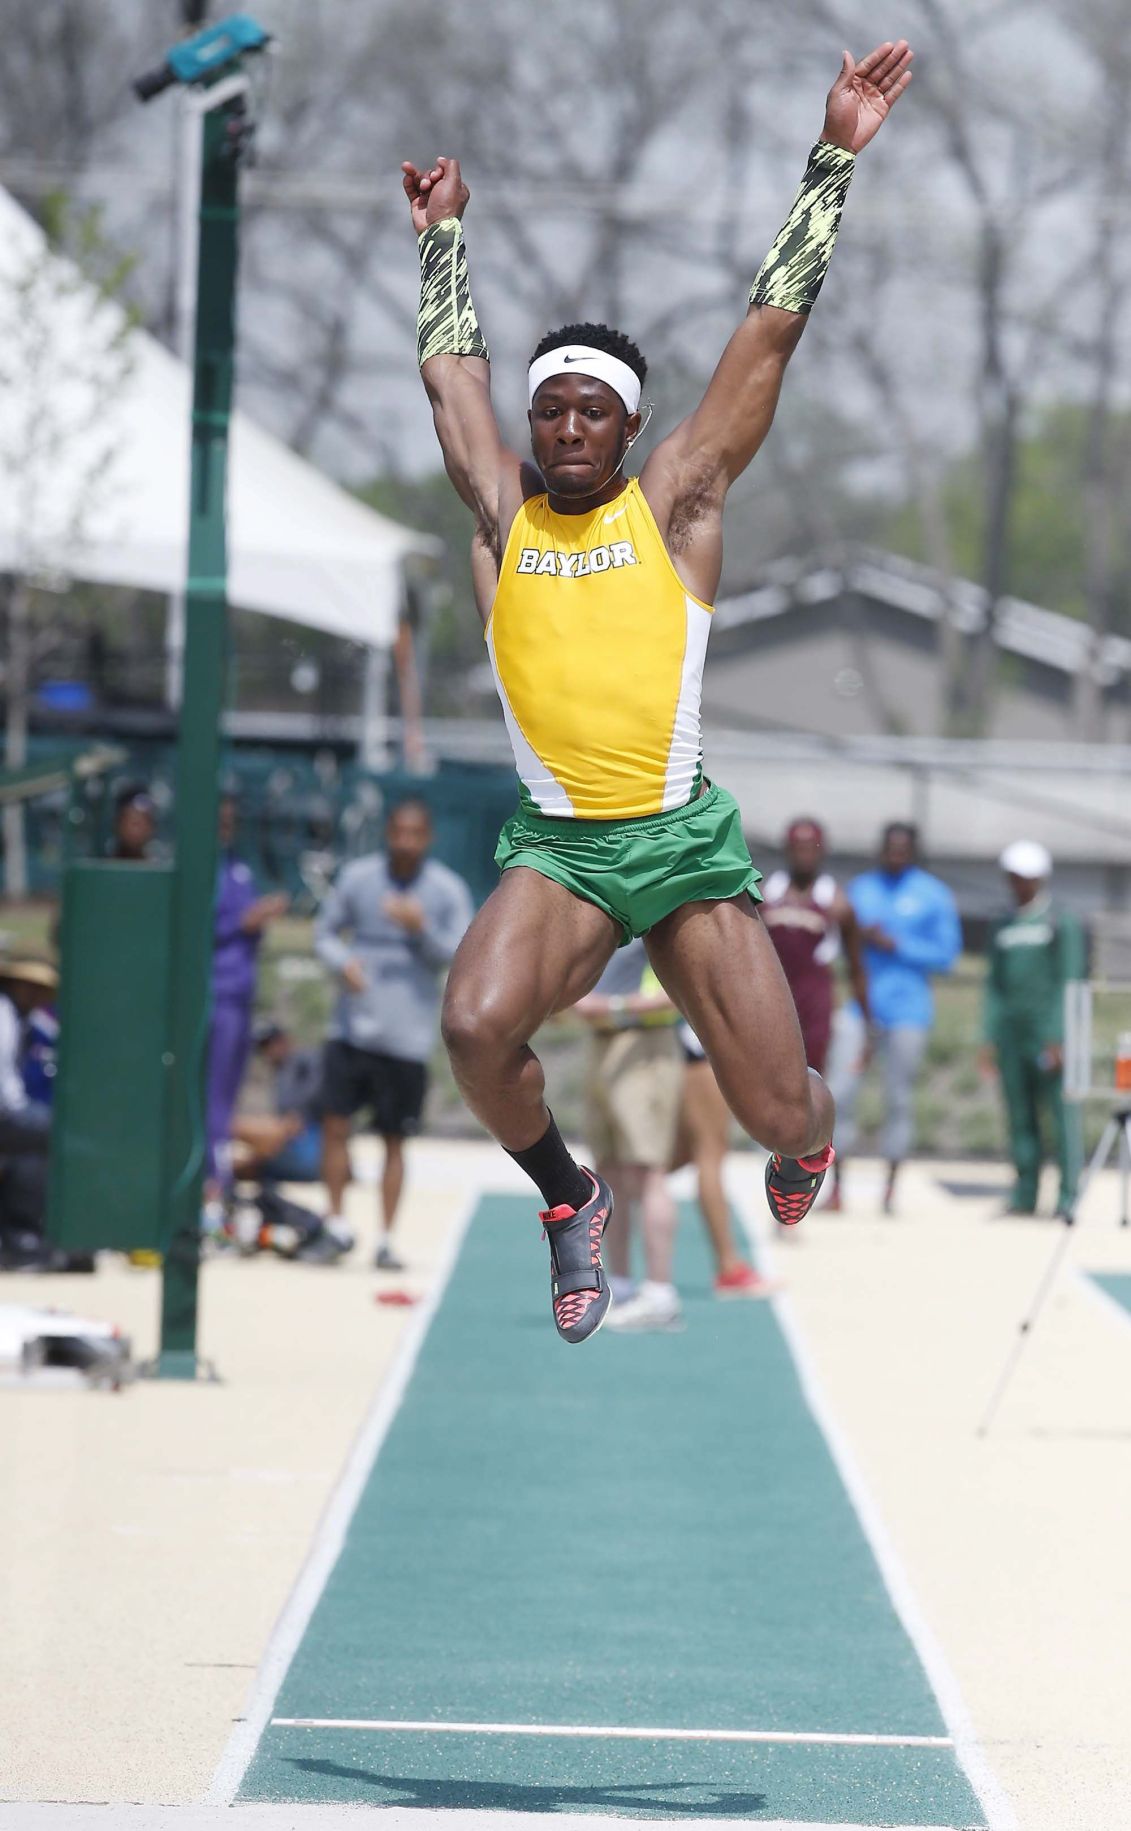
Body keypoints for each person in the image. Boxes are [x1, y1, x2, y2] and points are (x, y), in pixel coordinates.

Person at [403, 39, 914, 1340]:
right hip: (561, 850)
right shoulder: (503, 516)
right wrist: (443, 239)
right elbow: (451, 384)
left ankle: (812, 1128)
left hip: (679, 846)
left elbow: (768, 334)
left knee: (774, 1111)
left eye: (594, 412)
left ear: (630, 428)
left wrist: (833, 159)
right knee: (474, 1027)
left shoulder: (676, 503)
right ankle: (567, 1198)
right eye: (552, 412)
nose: (569, 428)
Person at [315, 799, 474, 1269]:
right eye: (398, 832)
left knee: (394, 1139)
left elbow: (461, 953)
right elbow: (324, 932)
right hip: (351, 1029)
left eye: (415, 834)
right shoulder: (358, 878)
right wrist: (342, 962)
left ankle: (385, 1239)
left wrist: (420, 928)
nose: (405, 842)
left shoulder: (446, 890)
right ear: (387, 833)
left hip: (406, 1039)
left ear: (428, 837)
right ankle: (335, 1226)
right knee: (335, 1126)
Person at [829, 822, 960, 1214]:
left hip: (909, 1012)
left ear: (914, 853)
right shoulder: (860, 890)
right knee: (841, 1093)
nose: (895, 856)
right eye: (890, 849)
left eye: (903, 850)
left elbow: (947, 956)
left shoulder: (933, 894)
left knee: (898, 1099)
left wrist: (898, 945)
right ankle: (837, 1187)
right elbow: (836, 943)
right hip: (861, 1009)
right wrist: (859, 938)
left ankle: (889, 1190)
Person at [573, 939, 684, 1332]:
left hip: (645, 1043)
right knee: (607, 1174)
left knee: (647, 1172)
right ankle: (619, 1287)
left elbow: (681, 989)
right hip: (602, 1041)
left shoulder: (661, 914)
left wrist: (613, 1008)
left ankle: (660, 1294)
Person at [979, 841, 1085, 1219]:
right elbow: (994, 985)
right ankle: (1025, 1193)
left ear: (1040, 878)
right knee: (1020, 1115)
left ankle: (1069, 1195)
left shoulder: (1059, 922)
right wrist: (988, 1036)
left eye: (1026, 877)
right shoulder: (1001, 924)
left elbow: (1070, 981)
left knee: (1060, 1114)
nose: (1019, 884)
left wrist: (1059, 1036)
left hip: (1048, 1035)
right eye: (1013, 877)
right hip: (1012, 1036)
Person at [207, 794, 289, 1192]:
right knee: (211, 1092)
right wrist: (245, 921)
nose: (225, 826)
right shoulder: (203, 869)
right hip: (215, 992)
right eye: (219, 819)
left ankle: (218, 1173)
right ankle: (210, 1176)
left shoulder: (237, 866)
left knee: (228, 1091)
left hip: (241, 991)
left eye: (230, 819)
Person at [760, 818, 870, 1076]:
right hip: (772, 995)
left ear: (822, 850)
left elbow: (856, 967)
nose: (804, 855)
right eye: (798, 848)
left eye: (810, 848)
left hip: (815, 999)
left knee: (812, 1075)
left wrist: (867, 1024)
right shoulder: (765, 896)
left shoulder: (837, 903)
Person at [672, 1026, 775, 1298]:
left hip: (688, 1045)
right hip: (696, 1047)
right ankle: (728, 1266)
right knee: (709, 1153)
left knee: (673, 1159)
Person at [231, 1021, 325, 1185]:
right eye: (263, 1047)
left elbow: (321, 1092)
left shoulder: (306, 1059)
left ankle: (215, 1130)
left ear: (285, 1040)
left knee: (235, 1127)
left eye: (270, 1043)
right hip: (296, 1149)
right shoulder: (281, 1072)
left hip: (313, 1146)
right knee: (240, 1167)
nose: (267, 1051)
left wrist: (296, 1118)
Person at [111, 783, 156, 862]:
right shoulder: (102, 866)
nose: (135, 830)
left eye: (141, 823)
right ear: (118, 824)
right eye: (132, 822)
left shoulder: (158, 866)